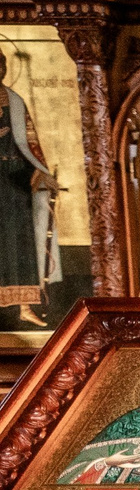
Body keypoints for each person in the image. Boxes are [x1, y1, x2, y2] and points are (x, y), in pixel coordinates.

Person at [0, 50, 59, 328]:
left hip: (14, 180)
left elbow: (30, 142)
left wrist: (41, 170)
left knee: (19, 241)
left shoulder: (14, 101)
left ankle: (24, 306)